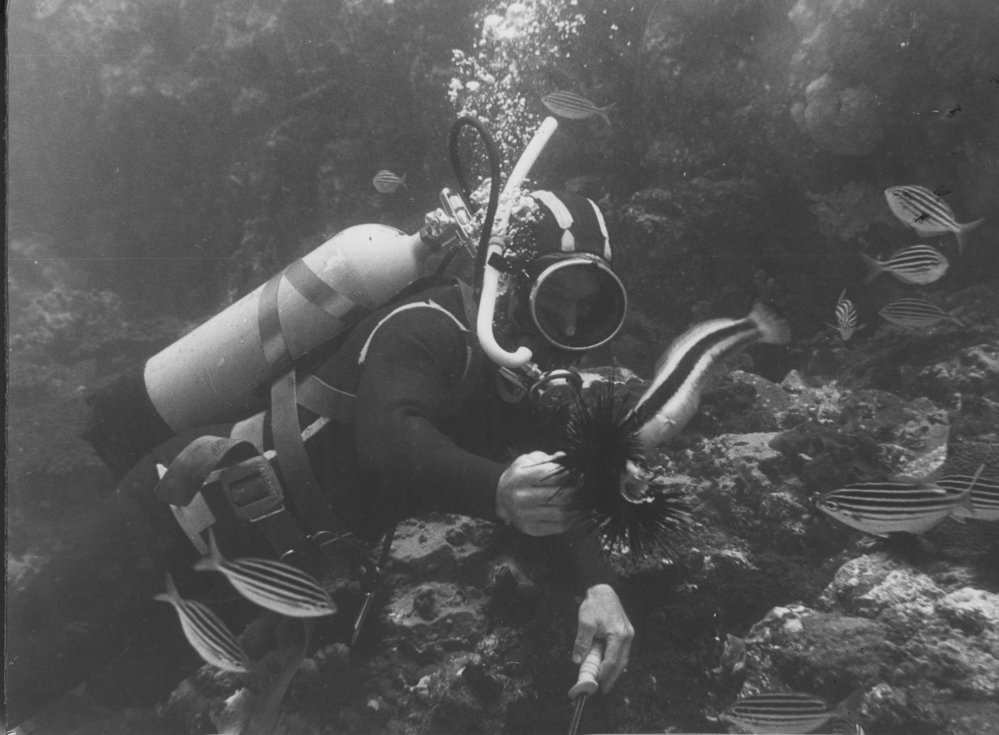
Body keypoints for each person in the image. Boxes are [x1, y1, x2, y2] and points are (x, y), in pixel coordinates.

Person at [296, 188, 634, 692]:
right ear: (512, 283)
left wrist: (599, 585)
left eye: (586, 309)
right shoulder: (429, 323)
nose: (566, 325)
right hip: (206, 512)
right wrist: (499, 488)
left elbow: (560, 479)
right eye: (555, 298)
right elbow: (386, 442)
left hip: (303, 566)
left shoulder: (522, 370)